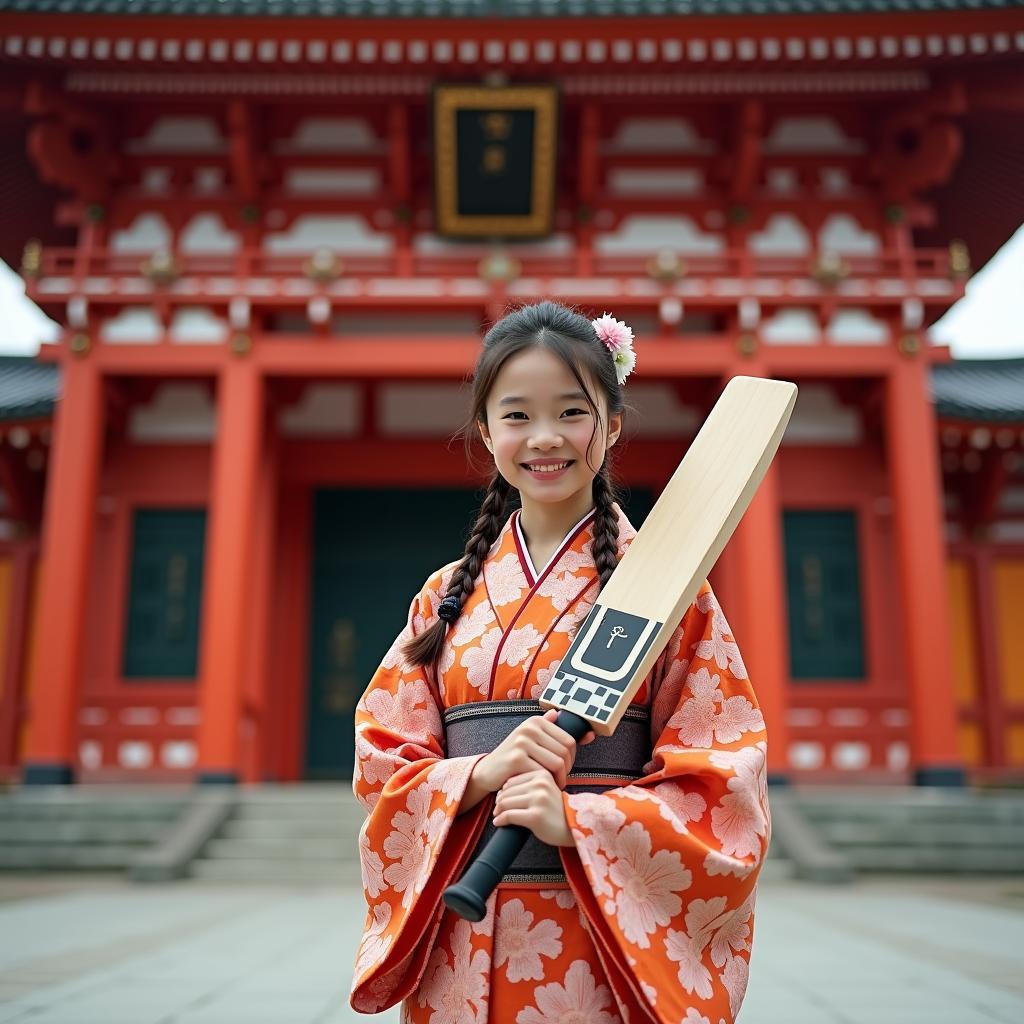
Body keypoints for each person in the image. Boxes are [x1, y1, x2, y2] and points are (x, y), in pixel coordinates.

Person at [350, 300, 769, 1024]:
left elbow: (723, 782)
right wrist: (477, 775)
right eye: (516, 416)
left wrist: (580, 823)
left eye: (572, 412)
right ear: (485, 432)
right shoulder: (442, 597)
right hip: (461, 925)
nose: (545, 438)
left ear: (611, 424)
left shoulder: (673, 593)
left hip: (596, 943)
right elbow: (382, 764)